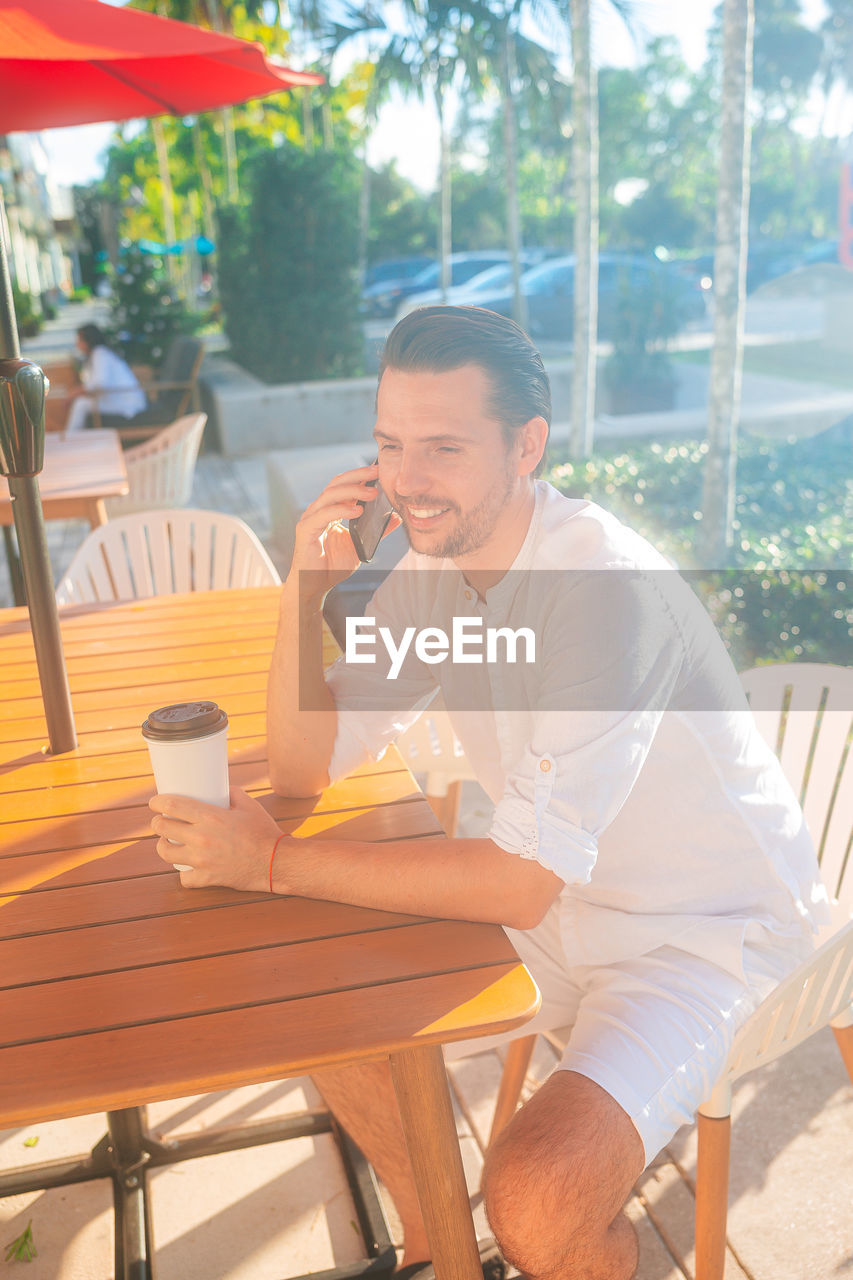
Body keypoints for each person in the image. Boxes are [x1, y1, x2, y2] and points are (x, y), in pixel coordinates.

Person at [149, 306, 830, 1280]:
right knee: (319, 992)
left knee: (537, 1201)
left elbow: (516, 882)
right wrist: (305, 586)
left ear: (526, 446)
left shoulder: (602, 592)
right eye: (389, 445)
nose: (406, 480)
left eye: (441, 446)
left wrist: (268, 860)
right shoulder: (431, 571)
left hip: (706, 932)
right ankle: (436, 1246)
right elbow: (307, 765)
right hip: (563, 899)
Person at [64, 324, 147, 433]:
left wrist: (75, 393)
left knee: (81, 404)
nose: (77, 344)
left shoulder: (100, 353)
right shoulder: (98, 354)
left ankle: (69, 439)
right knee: (81, 402)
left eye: (79, 340)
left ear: (88, 340)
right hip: (119, 398)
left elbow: (99, 383)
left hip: (127, 403)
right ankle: (71, 438)